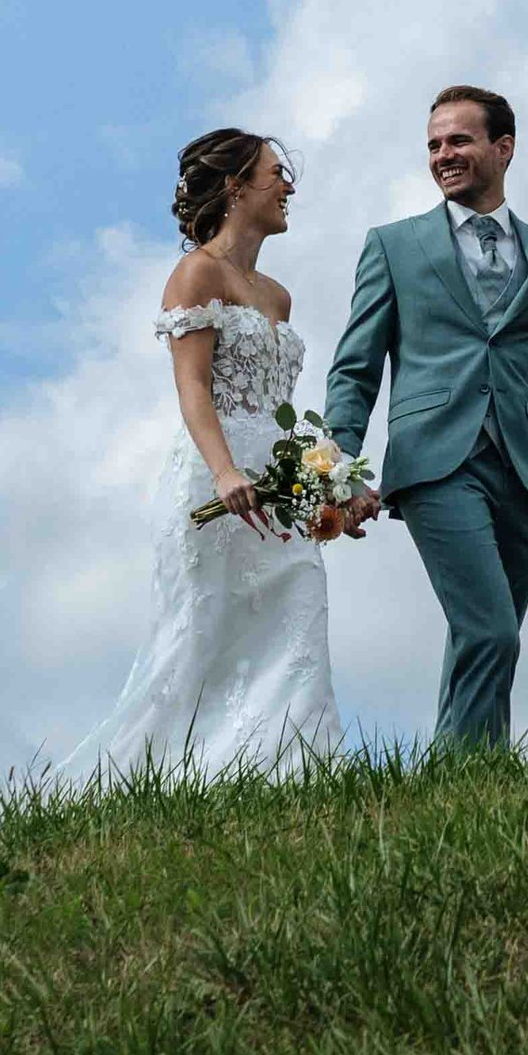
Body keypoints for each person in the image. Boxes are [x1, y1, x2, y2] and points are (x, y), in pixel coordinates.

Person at [66, 127, 353, 777]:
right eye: (275, 173)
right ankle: (163, 779)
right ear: (234, 186)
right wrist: (224, 471)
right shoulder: (197, 273)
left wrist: (328, 481)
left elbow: (282, 408)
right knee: (204, 640)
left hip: (280, 491)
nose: (288, 186)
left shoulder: (278, 296)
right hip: (217, 483)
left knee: (298, 617)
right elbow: (193, 385)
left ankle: (299, 772)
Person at [321, 84, 528, 750]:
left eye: (459, 141)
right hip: (434, 460)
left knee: (488, 637)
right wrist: (339, 467)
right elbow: (356, 367)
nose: (444, 155)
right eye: (435, 144)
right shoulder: (394, 246)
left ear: (504, 148)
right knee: (489, 629)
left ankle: (467, 789)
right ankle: (465, 775)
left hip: (527, 474)